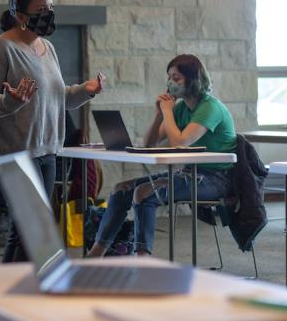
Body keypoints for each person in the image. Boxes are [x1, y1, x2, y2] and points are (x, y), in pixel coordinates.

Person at [0, 0, 104, 262]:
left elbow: (57, 98)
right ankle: (12, 294)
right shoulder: (0, 48)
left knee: (26, 232)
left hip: (47, 152)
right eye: (41, 8)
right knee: (29, 230)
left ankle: (14, 293)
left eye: (51, 6)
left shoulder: (47, 48)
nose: (49, 12)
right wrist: (10, 101)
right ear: (20, 15)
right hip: (16, 154)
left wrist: (85, 91)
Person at [87, 54, 236, 257]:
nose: (170, 83)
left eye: (176, 78)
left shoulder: (210, 107)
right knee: (121, 189)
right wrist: (159, 114)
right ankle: (97, 251)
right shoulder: (182, 108)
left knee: (143, 193)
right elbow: (150, 143)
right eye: (169, 78)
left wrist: (168, 112)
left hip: (216, 179)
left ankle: (143, 257)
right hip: (189, 174)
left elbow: (179, 143)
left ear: (193, 80)